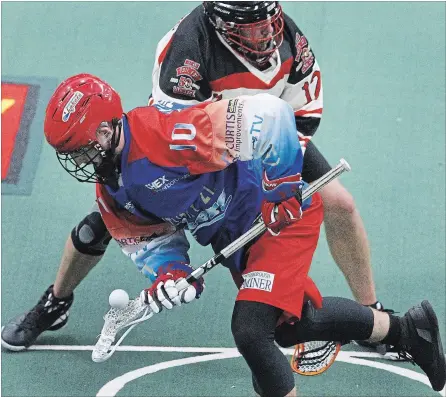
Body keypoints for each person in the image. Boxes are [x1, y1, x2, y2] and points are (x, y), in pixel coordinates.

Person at [7, 74, 445, 396]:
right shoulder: (111, 191)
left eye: (81, 148)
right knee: (293, 326)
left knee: (250, 331)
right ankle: (408, 332)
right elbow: (151, 240)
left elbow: (270, 116)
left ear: (105, 130)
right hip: (236, 238)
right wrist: (172, 275)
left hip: (277, 216)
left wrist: (280, 189)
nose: (78, 160)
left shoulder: (166, 137)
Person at [149, 1, 390, 349]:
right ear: (223, 25)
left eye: (269, 20)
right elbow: (176, 135)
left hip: (270, 137)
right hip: (203, 146)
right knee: (113, 209)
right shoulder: (187, 55)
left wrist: (277, 172)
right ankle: (57, 300)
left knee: (341, 202)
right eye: (253, 25)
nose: (267, 32)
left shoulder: (289, 37)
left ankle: (370, 311)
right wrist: (249, 175)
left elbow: (304, 114)